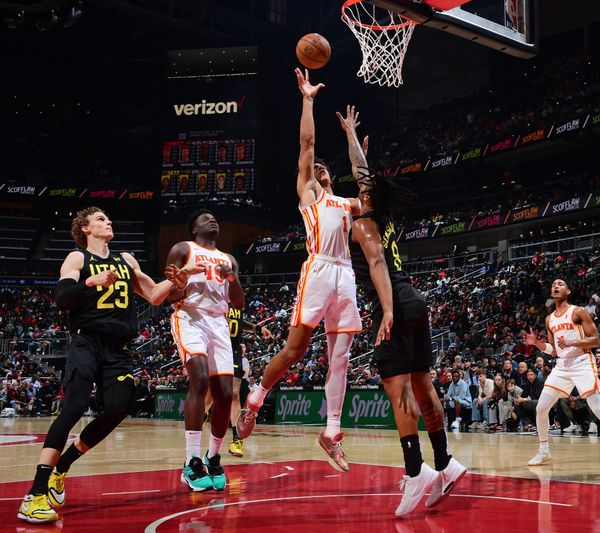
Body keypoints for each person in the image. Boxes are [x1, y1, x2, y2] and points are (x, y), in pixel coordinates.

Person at [18, 207, 184, 524]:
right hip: (86, 342)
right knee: (74, 407)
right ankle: (35, 494)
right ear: (85, 229)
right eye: (100, 219)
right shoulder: (77, 260)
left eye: (108, 218)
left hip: (118, 349)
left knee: (120, 406)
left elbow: (154, 296)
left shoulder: (127, 260)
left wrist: (174, 282)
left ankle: (63, 466)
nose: (108, 221)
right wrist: (90, 282)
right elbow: (63, 299)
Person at [237, 72, 365, 474]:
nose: (321, 169)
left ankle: (331, 432)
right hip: (318, 269)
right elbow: (307, 144)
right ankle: (255, 400)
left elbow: (368, 187)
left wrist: (352, 139)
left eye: (327, 168)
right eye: (318, 168)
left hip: (345, 273)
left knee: (341, 356)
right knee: (296, 349)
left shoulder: (345, 203)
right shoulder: (309, 195)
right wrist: (308, 100)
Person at [345, 104, 466, 516]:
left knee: (398, 391)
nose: (358, 191)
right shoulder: (385, 215)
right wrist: (350, 137)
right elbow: (364, 176)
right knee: (423, 386)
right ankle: (446, 462)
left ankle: (416, 473)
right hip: (416, 298)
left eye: (361, 191)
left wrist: (387, 311)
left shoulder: (363, 225)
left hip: (396, 301)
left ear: (367, 198)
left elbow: (377, 265)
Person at [165, 208, 245, 491]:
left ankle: (213, 457)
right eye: (204, 218)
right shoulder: (182, 249)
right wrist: (182, 281)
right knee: (198, 380)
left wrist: (231, 278)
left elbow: (238, 303)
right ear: (194, 229)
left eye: (215, 217)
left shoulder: (229, 259)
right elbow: (169, 293)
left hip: (219, 322)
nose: (212, 219)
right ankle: (191, 461)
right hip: (190, 315)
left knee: (224, 394)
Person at [523, 279, 600, 469]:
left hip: (583, 362)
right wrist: (537, 344)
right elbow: (555, 350)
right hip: (562, 365)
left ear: (568, 290)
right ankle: (544, 451)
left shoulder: (578, 312)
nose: (556, 286)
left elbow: (596, 341)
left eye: (560, 284)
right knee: (541, 408)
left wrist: (573, 343)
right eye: (553, 284)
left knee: (598, 408)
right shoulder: (549, 319)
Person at [204, 305, 271, 458]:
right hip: (214, 347)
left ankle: (236, 440)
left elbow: (238, 321)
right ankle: (199, 421)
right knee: (211, 394)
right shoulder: (214, 294)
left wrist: (257, 329)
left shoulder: (236, 297)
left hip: (233, 351)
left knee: (234, 394)